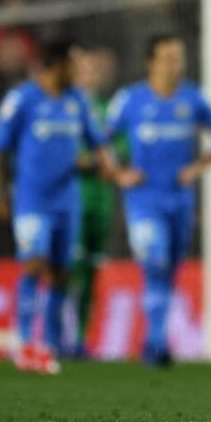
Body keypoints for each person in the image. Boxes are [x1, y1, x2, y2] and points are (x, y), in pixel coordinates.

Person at [0, 40, 130, 374]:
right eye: (73, 63)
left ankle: (50, 346)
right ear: (56, 65)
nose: (78, 71)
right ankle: (24, 344)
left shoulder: (77, 101)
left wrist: (113, 169)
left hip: (67, 203)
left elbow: (99, 142)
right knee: (34, 266)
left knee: (62, 275)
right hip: (31, 201)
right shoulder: (22, 99)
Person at [106, 35, 211, 366]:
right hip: (144, 199)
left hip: (180, 200)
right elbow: (98, 139)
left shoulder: (193, 99)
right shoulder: (129, 100)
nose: (174, 64)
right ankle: (155, 343)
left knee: (170, 270)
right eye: (167, 57)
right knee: (156, 262)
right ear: (150, 62)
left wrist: (197, 166)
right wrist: (119, 174)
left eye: (178, 57)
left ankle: (156, 339)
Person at [70, 46, 119, 358]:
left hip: (101, 201)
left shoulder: (107, 109)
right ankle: (53, 335)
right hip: (71, 199)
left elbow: (121, 147)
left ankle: (80, 339)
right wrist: (93, 161)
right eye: (83, 67)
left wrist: (110, 161)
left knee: (91, 274)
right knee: (66, 270)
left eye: (93, 67)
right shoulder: (63, 107)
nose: (90, 73)